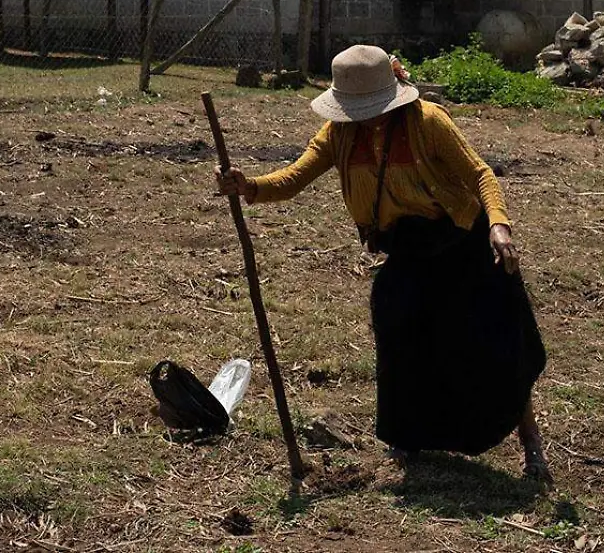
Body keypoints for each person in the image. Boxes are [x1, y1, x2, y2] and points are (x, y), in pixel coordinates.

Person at [216, 45, 548, 477]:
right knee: (398, 331)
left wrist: (498, 225)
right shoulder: (339, 134)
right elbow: (295, 177)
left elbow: (481, 174)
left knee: (495, 342)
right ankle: (407, 438)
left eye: (371, 107)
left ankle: (531, 442)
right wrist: (249, 186)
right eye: (355, 108)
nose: (365, 116)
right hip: (408, 250)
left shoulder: (427, 122)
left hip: (464, 243)